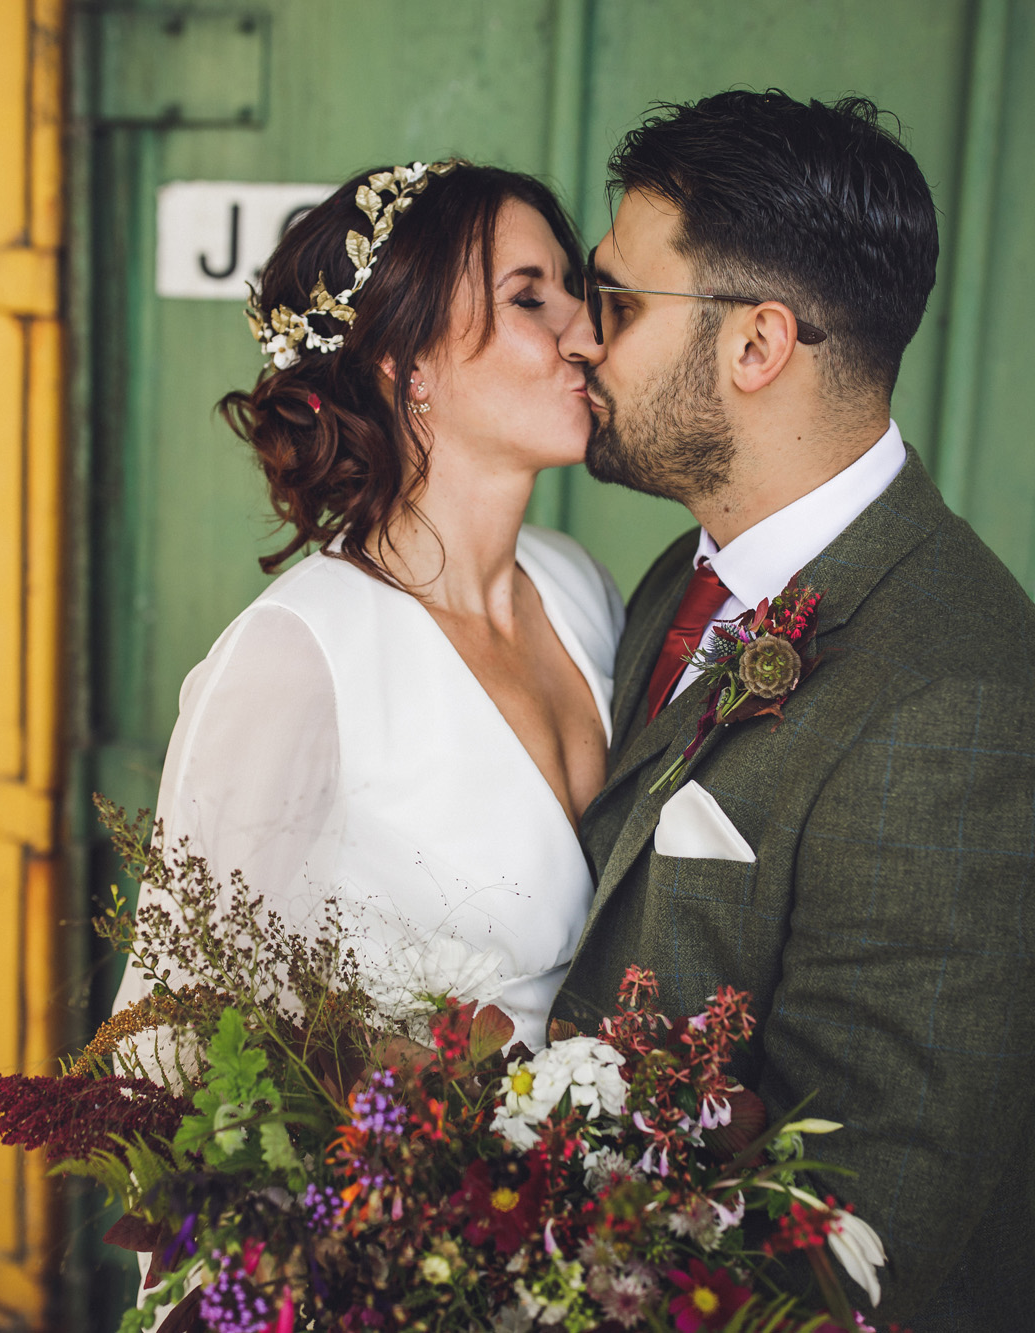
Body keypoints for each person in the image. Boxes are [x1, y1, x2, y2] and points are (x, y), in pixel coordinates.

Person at [551, 92, 1035, 1329]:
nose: (581, 342)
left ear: (755, 347)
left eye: (618, 305)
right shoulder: (679, 580)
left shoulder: (967, 705)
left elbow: (854, 1233)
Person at [113, 161, 622, 1052]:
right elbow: (181, 1038)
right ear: (406, 363)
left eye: (574, 290)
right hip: (417, 1179)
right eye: (530, 299)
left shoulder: (579, 587)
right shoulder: (299, 655)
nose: (588, 333)